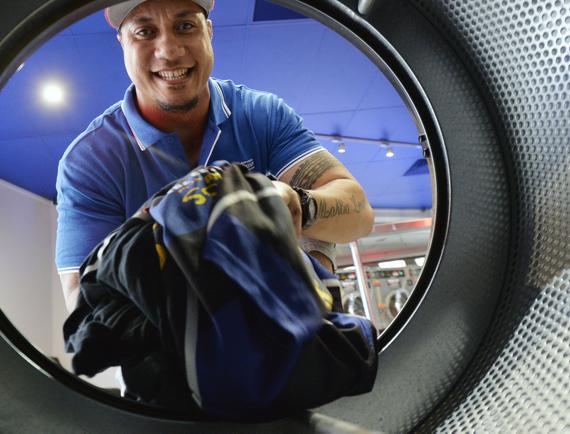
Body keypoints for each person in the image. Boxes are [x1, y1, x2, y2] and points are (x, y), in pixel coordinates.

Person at [55, 0, 374, 313]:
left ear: (208, 31)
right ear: (121, 42)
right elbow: (82, 306)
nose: (169, 51)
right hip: (165, 355)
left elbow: (358, 213)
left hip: (289, 340)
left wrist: (297, 205)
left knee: (316, 239)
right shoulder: (90, 161)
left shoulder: (260, 114)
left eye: (184, 26)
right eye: (145, 32)